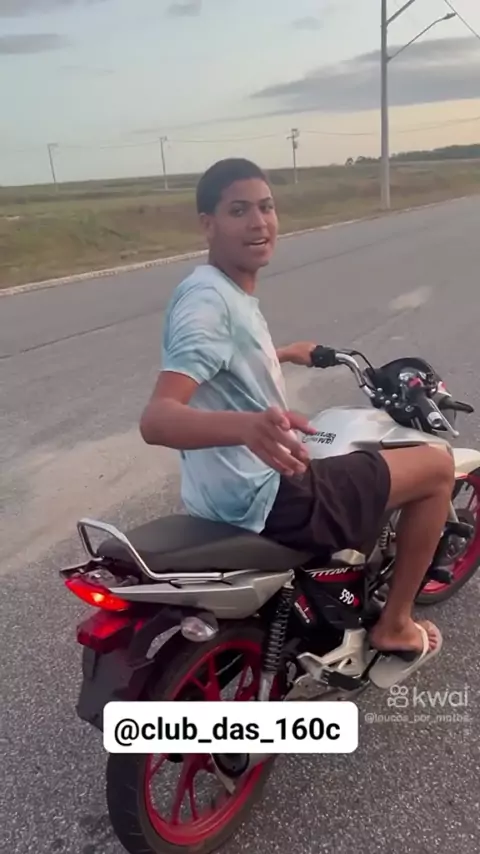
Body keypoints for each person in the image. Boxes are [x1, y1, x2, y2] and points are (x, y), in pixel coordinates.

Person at [140, 157, 454, 673]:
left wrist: (283, 353)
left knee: (349, 468)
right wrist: (247, 426)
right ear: (207, 224)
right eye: (239, 210)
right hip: (268, 497)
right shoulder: (210, 304)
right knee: (437, 467)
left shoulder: (211, 287)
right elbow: (158, 419)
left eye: (266, 207)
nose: (258, 222)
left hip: (215, 495)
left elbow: (218, 360)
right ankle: (396, 622)